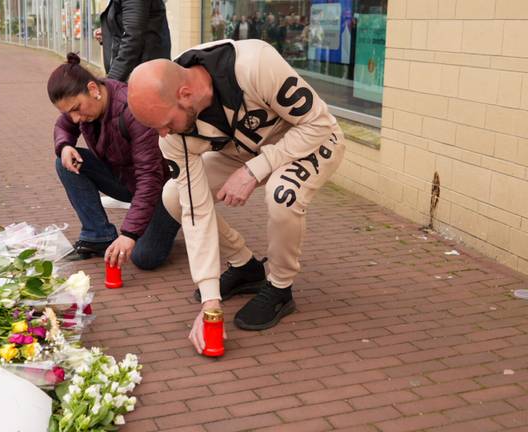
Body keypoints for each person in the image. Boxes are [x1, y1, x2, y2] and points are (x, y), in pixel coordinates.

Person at [127, 39, 345, 352]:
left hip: (310, 140)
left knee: (282, 194)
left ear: (185, 94)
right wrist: (210, 303)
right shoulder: (173, 137)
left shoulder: (254, 64)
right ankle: (245, 267)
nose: (163, 135)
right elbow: (195, 212)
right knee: (174, 196)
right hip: (247, 152)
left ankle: (280, 287)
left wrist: (255, 170)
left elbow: (318, 123)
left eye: (165, 124)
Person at [48, 52, 180, 269]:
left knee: (145, 258)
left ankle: (174, 216)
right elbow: (64, 125)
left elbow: (150, 178)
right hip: (127, 181)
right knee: (65, 164)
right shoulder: (85, 106)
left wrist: (129, 234)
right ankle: (98, 236)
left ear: (92, 89)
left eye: (75, 109)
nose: (75, 118)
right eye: (68, 113)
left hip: (162, 190)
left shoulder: (132, 110)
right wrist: (64, 146)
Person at [94, 0, 170, 82]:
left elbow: (133, 38)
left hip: (139, 76)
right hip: (134, 73)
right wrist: (109, 32)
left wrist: (112, 81)